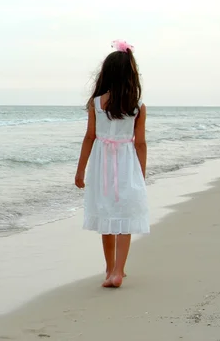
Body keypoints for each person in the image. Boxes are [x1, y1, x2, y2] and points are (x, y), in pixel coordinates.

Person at [74, 40, 149, 288]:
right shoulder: (137, 107)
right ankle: (119, 270)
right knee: (124, 216)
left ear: (106, 74)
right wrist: (141, 173)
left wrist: (80, 170)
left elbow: (89, 137)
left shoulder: (96, 103)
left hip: (102, 164)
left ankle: (108, 269)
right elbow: (140, 144)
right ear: (131, 75)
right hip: (127, 162)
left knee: (106, 213)